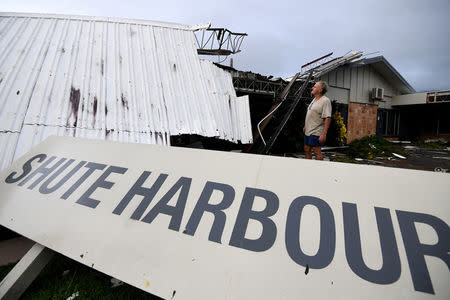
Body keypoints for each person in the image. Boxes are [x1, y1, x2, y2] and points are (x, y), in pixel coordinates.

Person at [303, 81, 331, 160]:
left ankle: (319, 170)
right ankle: (309, 168)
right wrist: (306, 125)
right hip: (309, 130)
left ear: (320, 90)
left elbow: (327, 118)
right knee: (307, 149)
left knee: (316, 151)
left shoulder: (325, 101)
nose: (312, 88)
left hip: (317, 131)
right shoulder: (314, 99)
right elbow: (312, 113)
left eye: (315, 87)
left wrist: (324, 134)